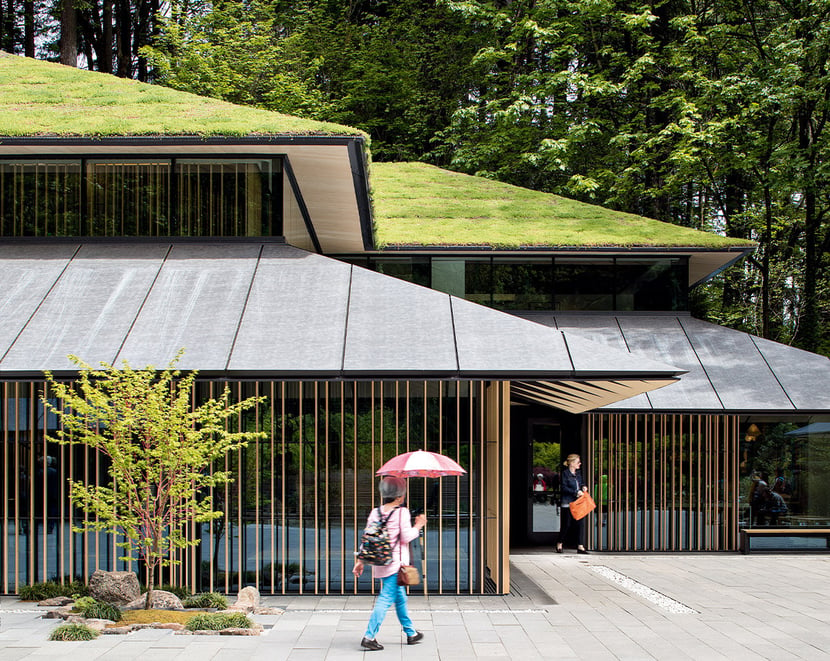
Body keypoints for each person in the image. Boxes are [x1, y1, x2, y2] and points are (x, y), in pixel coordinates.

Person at [352, 476, 426, 651]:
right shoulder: (402, 512)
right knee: (385, 599)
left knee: (400, 598)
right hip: (396, 565)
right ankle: (369, 636)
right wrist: (419, 525)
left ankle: (411, 633)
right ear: (400, 495)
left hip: (381, 563)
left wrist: (360, 560)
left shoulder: (375, 512)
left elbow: (368, 538)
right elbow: (407, 537)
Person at [556, 453, 590, 554]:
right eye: (578, 462)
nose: (580, 463)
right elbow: (564, 488)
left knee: (580, 524)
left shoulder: (578, 474)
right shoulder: (565, 474)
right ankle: (559, 543)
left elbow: (581, 483)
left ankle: (580, 546)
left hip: (578, 503)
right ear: (572, 463)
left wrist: (583, 487)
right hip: (567, 503)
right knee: (566, 524)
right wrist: (575, 492)